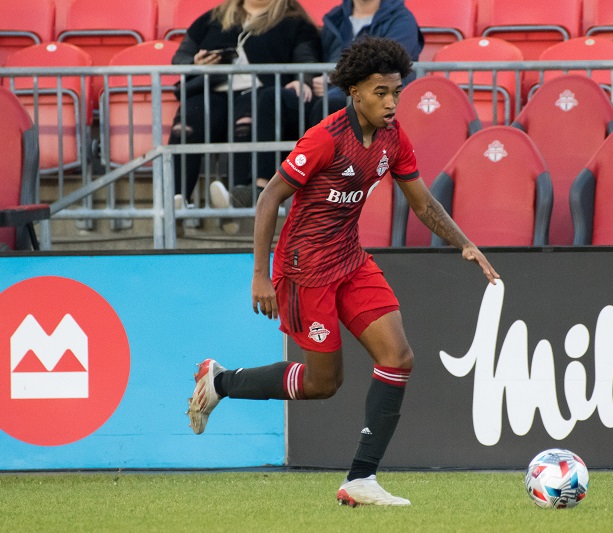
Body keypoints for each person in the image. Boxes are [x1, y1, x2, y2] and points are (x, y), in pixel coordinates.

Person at [187, 36, 500, 507]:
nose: (391, 103)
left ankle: (361, 479)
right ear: (355, 92)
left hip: (350, 260)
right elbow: (270, 197)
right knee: (323, 385)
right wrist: (260, 274)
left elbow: (422, 202)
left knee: (398, 356)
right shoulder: (326, 138)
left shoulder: (394, 138)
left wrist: (465, 243)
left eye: (396, 92)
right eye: (380, 92)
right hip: (305, 271)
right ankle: (221, 382)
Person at [225, 0, 424, 208]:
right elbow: (315, 59)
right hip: (328, 95)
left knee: (332, 103)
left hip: (368, 103)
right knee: (272, 98)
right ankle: (261, 189)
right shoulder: (335, 18)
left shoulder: (401, 20)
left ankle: (316, 191)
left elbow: (387, 70)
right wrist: (304, 80)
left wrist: (334, 79)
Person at [169, 0, 321, 233]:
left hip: (257, 92)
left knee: (245, 124)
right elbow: (180, 57)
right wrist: (195, 62)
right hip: (210, 90)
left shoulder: (294, 21)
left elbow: (307, 60)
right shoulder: (213, 18)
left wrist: (304, 81)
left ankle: (236, 203)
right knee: (186, 125)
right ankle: (175, 203)